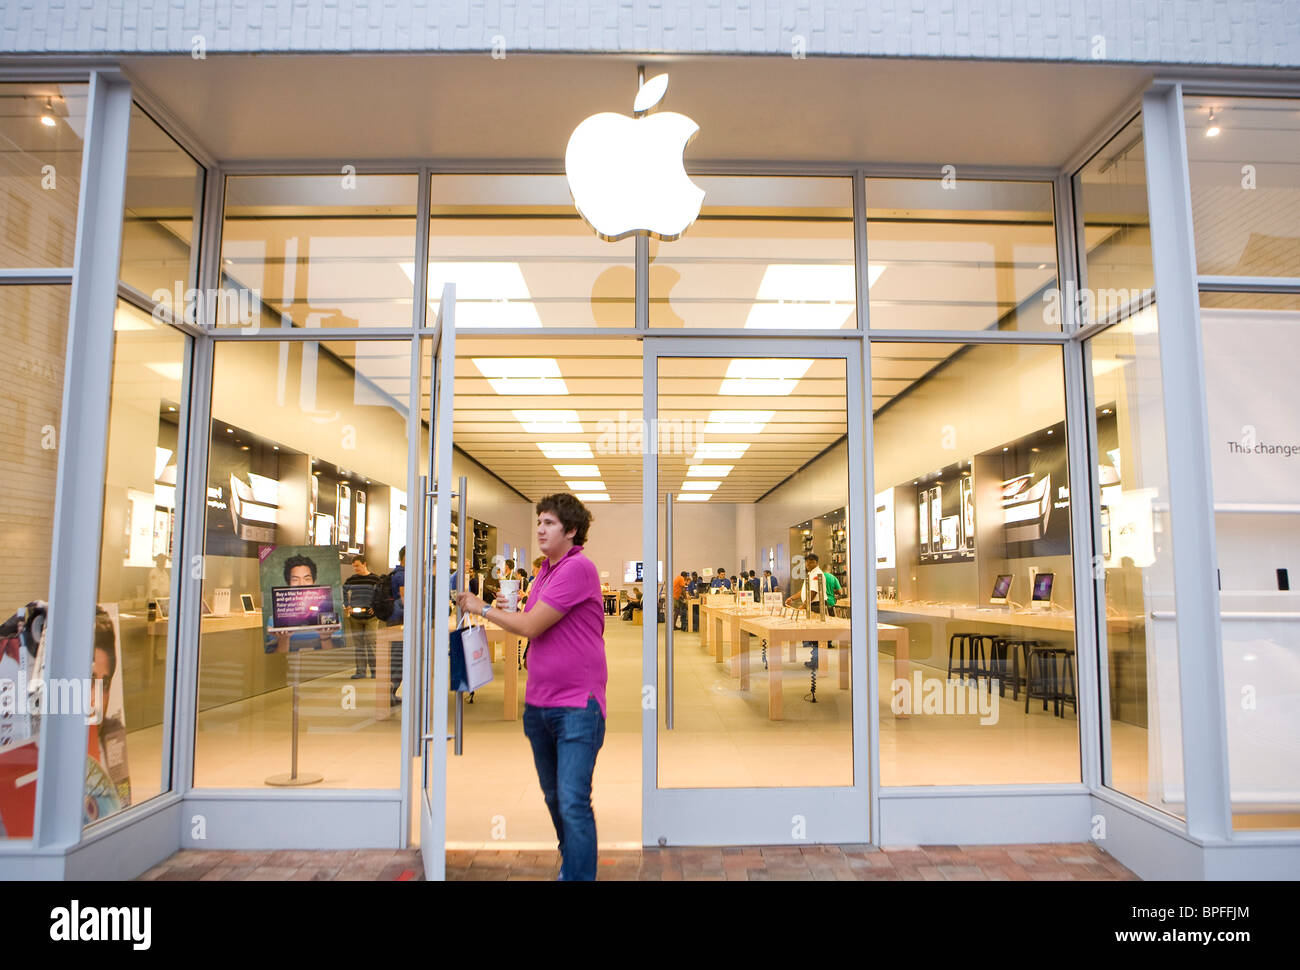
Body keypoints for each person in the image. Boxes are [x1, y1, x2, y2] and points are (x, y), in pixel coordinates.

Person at [456, 493, 607, 881]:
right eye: (539, 521)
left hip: (577, 704)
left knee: (573, 800)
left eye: (550, 523)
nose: (540, 528)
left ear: (571, 531)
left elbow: (529, 627)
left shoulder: (578, 569)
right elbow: (528, 619)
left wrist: (481, 607)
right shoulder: (544, 572)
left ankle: (578, 875)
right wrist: (506, 609)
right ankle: (571, 861)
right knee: (556, 797)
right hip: (540, 703)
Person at [785, 553, 841, 670]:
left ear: (816, 562)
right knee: (813, 634)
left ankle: (817, 661)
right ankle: (815, 659)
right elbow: (803, 591)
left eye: (810, 562)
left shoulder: (818, 574)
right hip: (811, 605)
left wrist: (804, 606)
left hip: (816, 606)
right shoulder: (810, 574)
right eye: (806, 562)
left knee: (817, 634)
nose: (808, 564)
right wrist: (792, 598)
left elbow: (813, 592)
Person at [344, 554, 383, 678]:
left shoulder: (375, 579)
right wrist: (347, 605)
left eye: (357, 566)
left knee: (371, 643)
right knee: (359, 645)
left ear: (364, 564)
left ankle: (375, 671)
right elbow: (343, 590)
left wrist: (376, 608)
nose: (355, 569)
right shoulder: (352, 580)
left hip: (371, 618)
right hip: (355, 617)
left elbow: (381, 595)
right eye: (354, 566)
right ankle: (360, 672)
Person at [387, 547, 406, 705]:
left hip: (394, 619)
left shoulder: (395, 573)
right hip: (399, 621)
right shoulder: (402, 576)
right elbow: (405, 600)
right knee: (398, 658)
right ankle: (390, 694)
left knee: (396, 657)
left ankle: (391, 693)